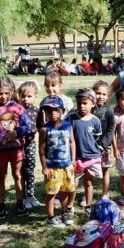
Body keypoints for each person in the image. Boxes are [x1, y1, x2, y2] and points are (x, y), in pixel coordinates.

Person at [0, 77, 34, 219]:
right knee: (1, 177)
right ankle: (1, 205)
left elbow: (27, 127)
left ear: (12, 91)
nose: (3, 96)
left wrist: (16, 132)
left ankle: (20, 203)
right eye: (0, 93)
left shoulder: (18, 108)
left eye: (7, 93)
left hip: (16, 150)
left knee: (18, 176)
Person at [39, 96, 76, 228]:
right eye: (49, 111)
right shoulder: (45, 129)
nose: (52, 113)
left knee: (65, 191)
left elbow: (72, 142)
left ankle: (64, 213)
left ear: (62, 111)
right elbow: (41, 149)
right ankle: (51, 217)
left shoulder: (68, 126)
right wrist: (44, 167)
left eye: (56, 110)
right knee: (51, 193)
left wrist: (73, 160)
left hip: (66, 166)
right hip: (52, 167)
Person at [67, 88, 103, 215]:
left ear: (93, 103)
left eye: (85, 103)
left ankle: (88, 205)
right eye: (79, 103)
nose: (81, 106)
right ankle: (69, 207)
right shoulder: (71, 119)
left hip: (92, 157)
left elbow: (97, 137)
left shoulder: (95, 121)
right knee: (73, 183)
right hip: (76, 158)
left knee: (88, 182)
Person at [17, 80, 42, 209]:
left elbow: (41, 127)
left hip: (30, 144)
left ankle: (31, 195)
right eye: (23, 96)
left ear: (35, 96)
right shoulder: (17, 110)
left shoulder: (37, 111)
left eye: (29, 96)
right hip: (17, 146)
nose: (26, 99)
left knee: (30, 170)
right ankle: (22, 197)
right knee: (20, 172)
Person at [92, 81, 116, 199]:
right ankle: (88, 195)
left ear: (108, 96)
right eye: (98, 93)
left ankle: (105, 194)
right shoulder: (89, 108)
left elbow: (111, 129)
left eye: (104, 94)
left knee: (105, 170)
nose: (100, 96)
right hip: (89, 146)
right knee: (88, 172)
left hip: (105, 147)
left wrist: (103, 144)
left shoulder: (109, 110)